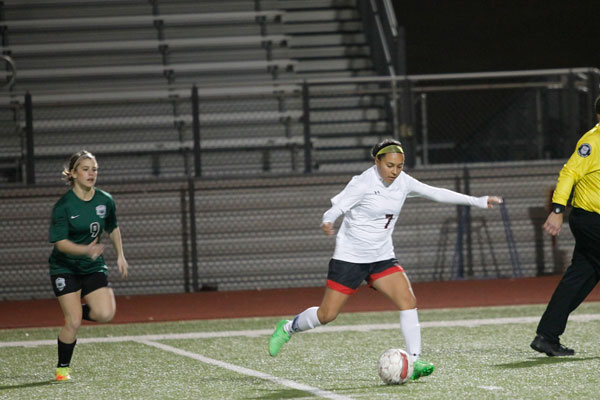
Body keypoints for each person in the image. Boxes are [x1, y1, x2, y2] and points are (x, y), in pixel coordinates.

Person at [268, 139, 503, 380]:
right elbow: (336, 208)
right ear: (377, 161)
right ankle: (287, 328)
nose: (395, 171)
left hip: (382, 257)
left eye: (400, 166)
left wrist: (479, 201)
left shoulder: (403, 181)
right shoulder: (362, 183)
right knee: (326, 315)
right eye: (390, 165)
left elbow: (436, 193)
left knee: (408, 301)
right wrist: (327, 221)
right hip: (350, 258)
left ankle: (414, 362)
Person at [49, 150, 128, 381]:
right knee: (73, 323)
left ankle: (72, 310)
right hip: (65, 267)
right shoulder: (63, 206)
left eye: (94, 169)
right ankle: (62, 368)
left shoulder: (105, 199)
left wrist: (120, 255)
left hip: (93, 266)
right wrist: (86, 250)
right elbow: (61, 243)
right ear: (73, 173)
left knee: (105, 314)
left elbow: (112, 227)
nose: (91, 173)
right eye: (85, 169)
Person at [530, 96, 600, 357]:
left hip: (591, 221)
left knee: (579, 279)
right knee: (579, 279)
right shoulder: (592, 142)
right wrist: (557, 210)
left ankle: (547, 336)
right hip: (592, 220)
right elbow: (568, 173)